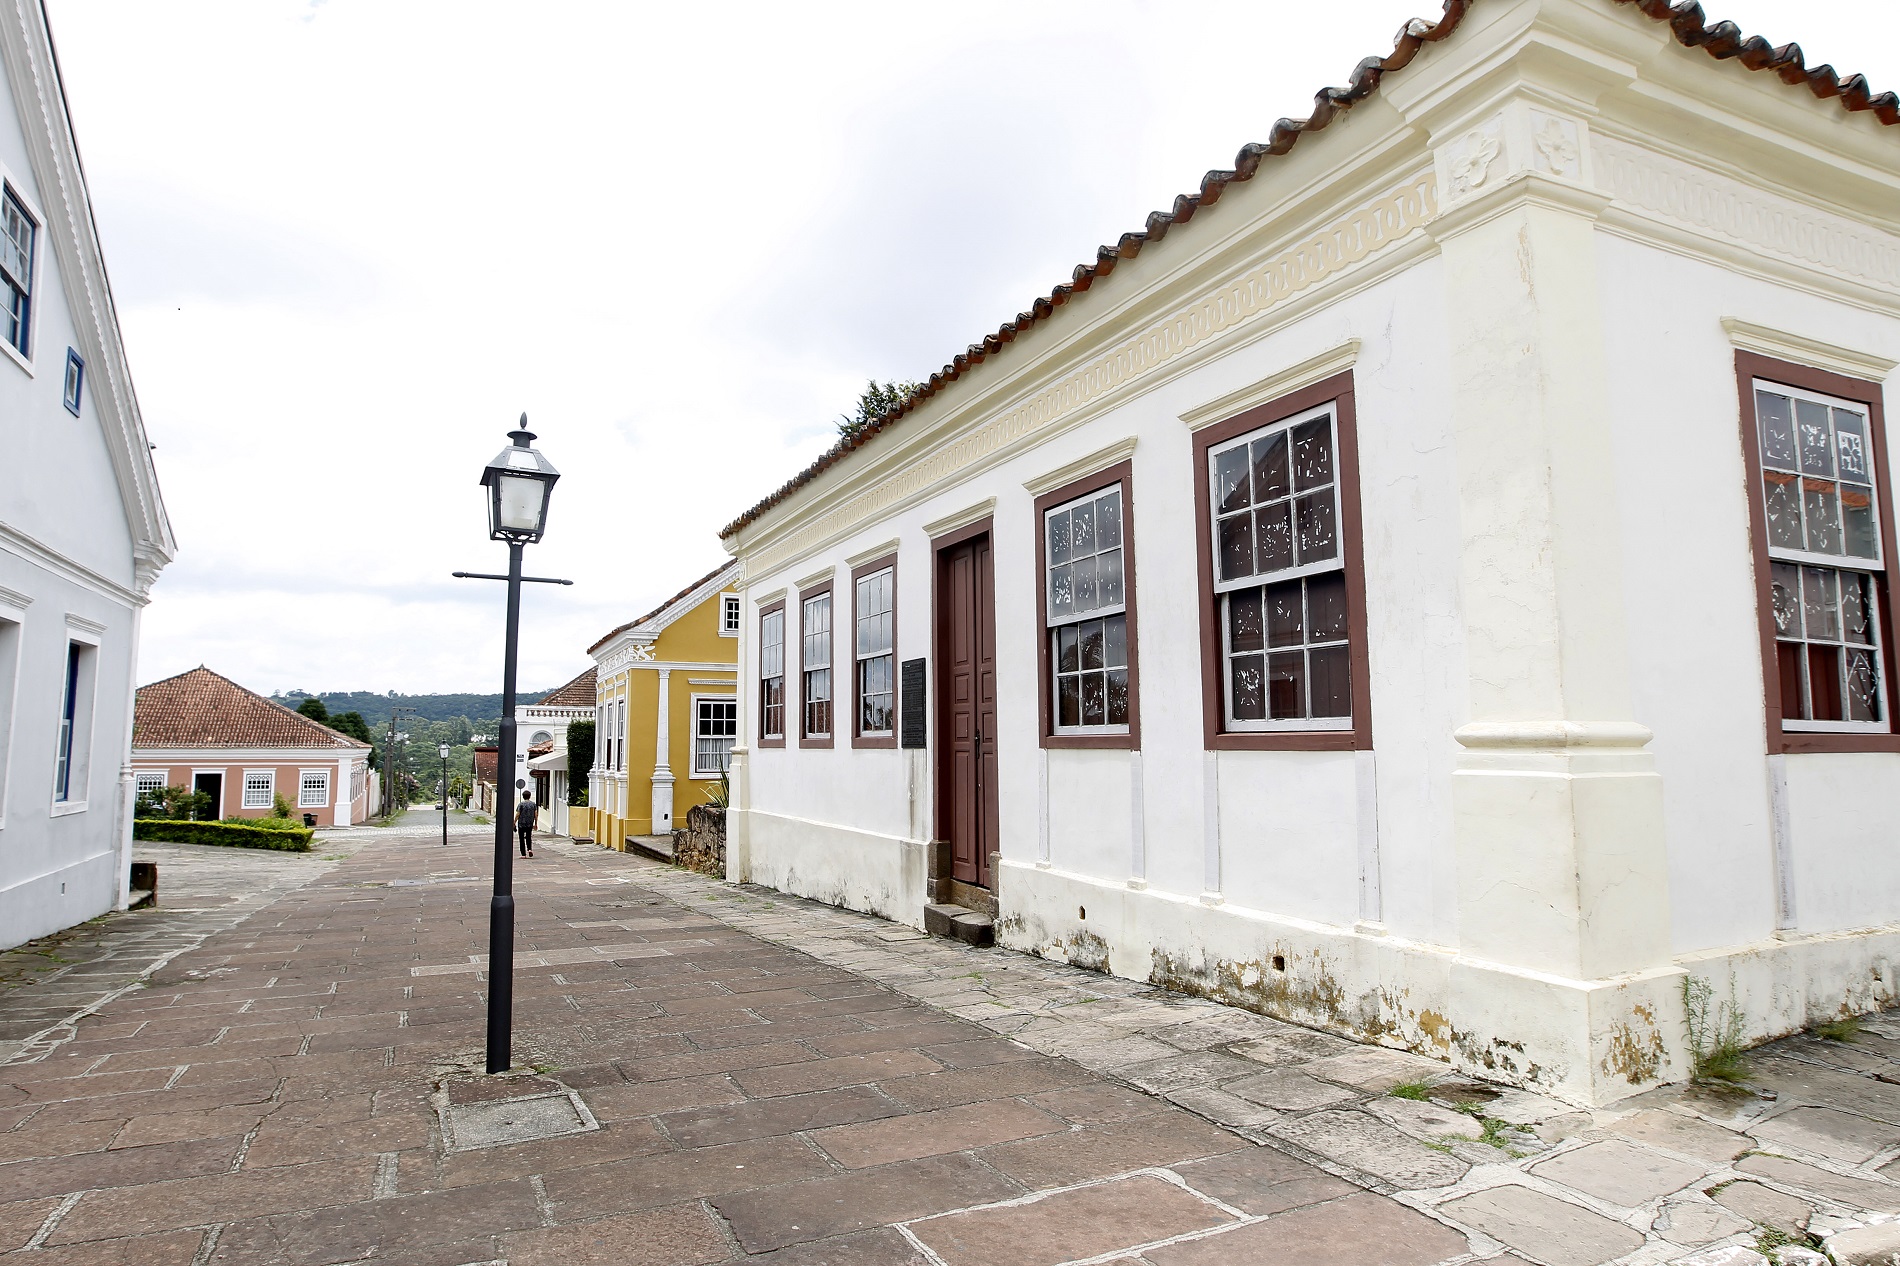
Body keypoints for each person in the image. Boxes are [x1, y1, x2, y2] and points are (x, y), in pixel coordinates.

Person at [515, 789, 537, 858]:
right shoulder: (533, 804)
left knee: (521, 838)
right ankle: (529, 849)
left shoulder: (521, 804)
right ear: (530, 796)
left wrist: (514, 822)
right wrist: (535, 823)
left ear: (523, 796)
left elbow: (518, 814)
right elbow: (536, 814)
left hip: (521, 824)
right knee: (528, 837)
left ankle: (523, 854)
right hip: (530, 823)